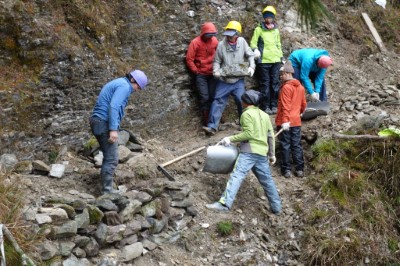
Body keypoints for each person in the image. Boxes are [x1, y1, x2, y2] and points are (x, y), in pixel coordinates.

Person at [206, 90, 282, 214]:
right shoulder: (265, 115)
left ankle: (225, 204)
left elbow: (249, 133)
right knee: (267, 181)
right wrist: (272, 154)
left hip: (249, 152)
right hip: (262, 153)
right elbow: (271, 136)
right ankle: (277, 208)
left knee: (237, 175)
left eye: (242, 100)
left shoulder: (246, 114)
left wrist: (229, 138)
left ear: (246, 102)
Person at [90, 70, 148, 194]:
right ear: (133, 80)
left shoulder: (120, 83)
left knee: (109, 156)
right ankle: (107, 192)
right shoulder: (124, 86)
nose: (137, 90)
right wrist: (113, 130)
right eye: (138, 86)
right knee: (112, 158)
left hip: (98, 121)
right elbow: (114, 106)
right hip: (103, 123)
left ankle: (107, 188)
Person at [202, 21, 255, 135]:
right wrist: (216, 71)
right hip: (224, 81)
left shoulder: (242, 42)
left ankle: (245, 125)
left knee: (242, 101)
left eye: (231, 34)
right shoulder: (221, 45)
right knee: (218, 101)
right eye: (227, 34)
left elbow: (250, 55)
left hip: (238, 80)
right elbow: (217, 61)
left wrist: (252, 67)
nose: (229, 36)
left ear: (237, 34)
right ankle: (212, 127)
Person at [275, 61, 307, 178]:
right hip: (296, 121)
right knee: (296, 145)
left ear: (288, 73)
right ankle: (300, 169)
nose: (281, 76)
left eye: (282, 74)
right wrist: (301, 113)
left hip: (286, 122)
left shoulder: (286, 88)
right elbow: (303, 104)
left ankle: (286, 170)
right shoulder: (301, 87)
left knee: (285, 145)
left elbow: (285, 106)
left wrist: (284, 121)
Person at [250, 5, 283, 115]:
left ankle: (274, 105)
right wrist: (255, 50)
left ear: (273, 18)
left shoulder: (276, 30)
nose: (268, 19)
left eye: (270, 17)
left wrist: (281, 58)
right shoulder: (259, 29)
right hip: (263, 61)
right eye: (266, 17)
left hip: (276, 61)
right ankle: (265, 106)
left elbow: (278, 44)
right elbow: (253, 43)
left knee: (275, 83)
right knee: (265, 84)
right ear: (264, 18)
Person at [186, 22, 219, 125]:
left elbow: (219, 54)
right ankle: (207, 120)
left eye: (212, 34)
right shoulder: (195, 43)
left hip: (213, 73)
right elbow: (189, 59)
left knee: (214, 96)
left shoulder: (214, 41)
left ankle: (215, 118)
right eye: (209, 34)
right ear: (204, 33)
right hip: (201, 75)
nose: (211, 36)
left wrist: (217, 68)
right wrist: (196, 71)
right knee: (205, 97)